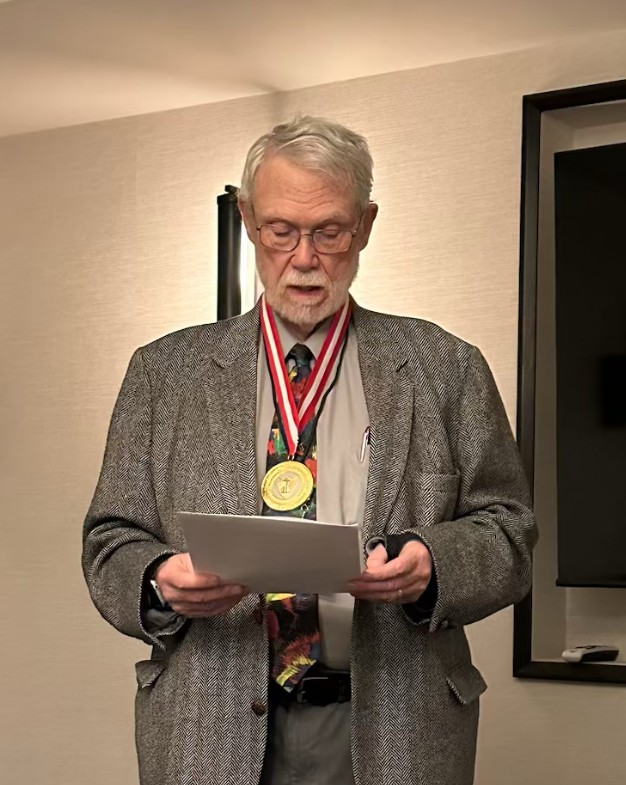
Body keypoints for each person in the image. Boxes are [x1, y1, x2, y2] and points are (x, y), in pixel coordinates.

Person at [82, 115, 537, 785]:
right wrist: (157, 580)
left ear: (366, 225)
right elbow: (109, 540)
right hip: (207, 727)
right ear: (246, 220)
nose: (303, 258)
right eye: (280, 230)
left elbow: (510, 531)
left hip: (395, 728)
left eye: (329, 231)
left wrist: (433, 565)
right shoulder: (162, 373)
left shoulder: (446, 366)